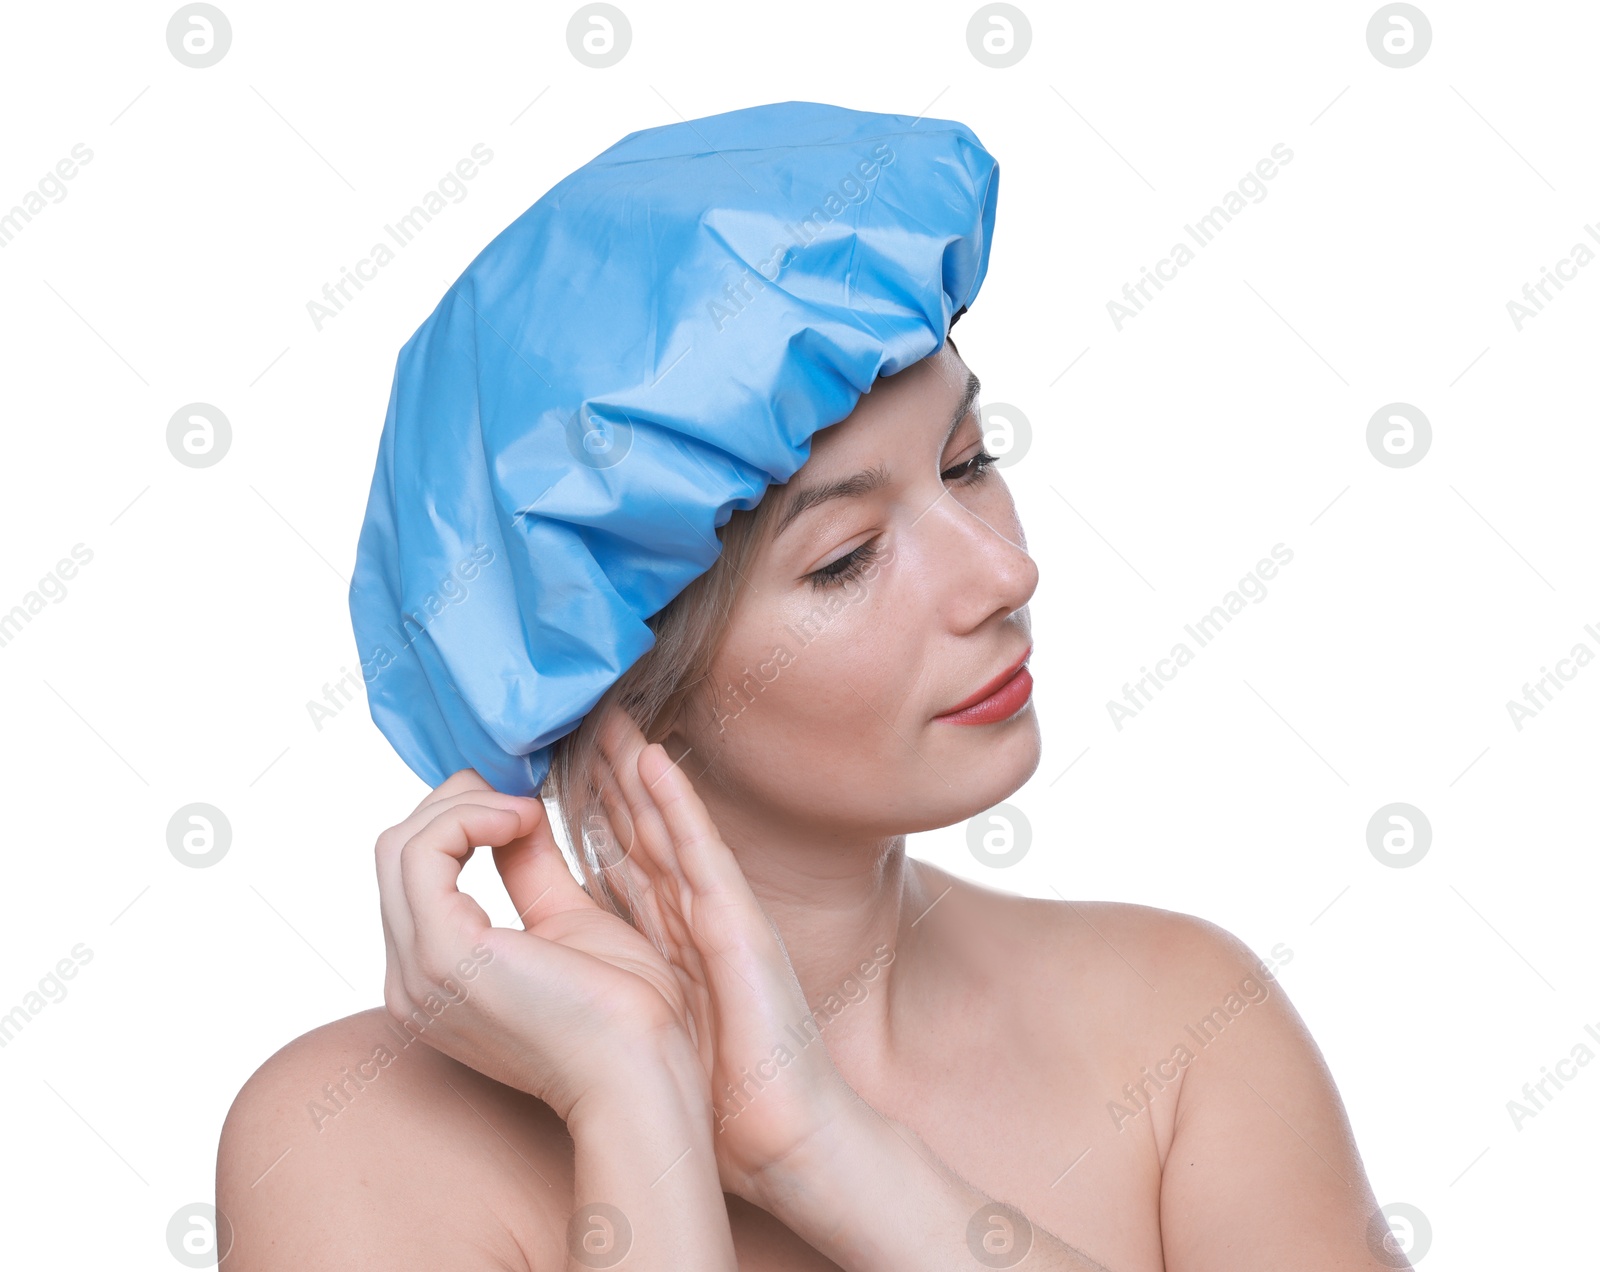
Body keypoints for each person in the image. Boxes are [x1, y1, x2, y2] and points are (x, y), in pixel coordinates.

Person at [216, 103, 1405, 1270]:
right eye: (844, 559)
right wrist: (632, 1095)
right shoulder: (347, 1144)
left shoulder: (1182, 1026)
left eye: (968, 462)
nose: (1005, 570)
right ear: (624, 680)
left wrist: (827, 1156)